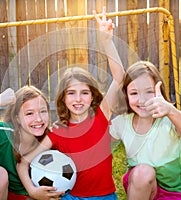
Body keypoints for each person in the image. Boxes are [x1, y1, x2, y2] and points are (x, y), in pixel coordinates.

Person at [17, 7, 125, 200]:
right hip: (71, 197)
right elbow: (23, 164)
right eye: (71, 93)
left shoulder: (101, 116)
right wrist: (33, 191)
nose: (78, 99)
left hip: (105, 196)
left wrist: (107, 42)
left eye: (84, 93)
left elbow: (119, 78)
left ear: (92, 97)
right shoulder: (58, 132)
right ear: (63, 99)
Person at [109, 61, 181, 199]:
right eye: (134, 93)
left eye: (149, 91)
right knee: (143, 172)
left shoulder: (169, 119)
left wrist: (171, 110)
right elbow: (97, 149)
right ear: (126, 96)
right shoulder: (122, 122)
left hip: (174, 190)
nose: (142, 99)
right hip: (140, 185)